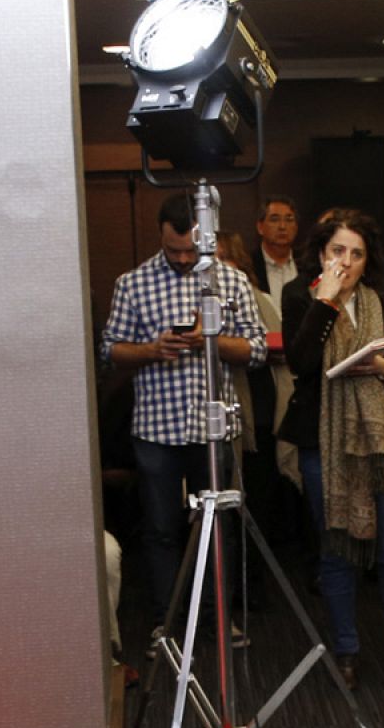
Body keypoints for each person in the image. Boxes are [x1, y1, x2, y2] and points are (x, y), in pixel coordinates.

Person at [99, 193, 267, 645]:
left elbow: (256, 350)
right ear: (160, 235)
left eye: (191, 250)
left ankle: (218, 620)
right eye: (174, 250)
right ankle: (167, 623)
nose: (183, 258)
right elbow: (109, 351)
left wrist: (207, 340)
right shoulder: (132, 283)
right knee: (159, 530)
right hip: (156, 429)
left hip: (213, 429)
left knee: (220, 529)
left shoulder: (229, 280)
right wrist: (153, 350)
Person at [279, 210, 384, 692]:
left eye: (356, 254)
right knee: (337, 548)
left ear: (367, 261)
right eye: (337, 251)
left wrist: (382, 367)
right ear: (321, 254)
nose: (346, 261)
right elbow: (300, 363)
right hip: (326, 440)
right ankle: (346, 651)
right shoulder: (300, 296)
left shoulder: (382, 301)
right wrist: (326, 303)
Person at [252, 195, 301, 314]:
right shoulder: (248, 265)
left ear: (296, 227)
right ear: (260, 227)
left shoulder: (307, 263)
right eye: (274, 219)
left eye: (289, 220)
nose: (282, 226)